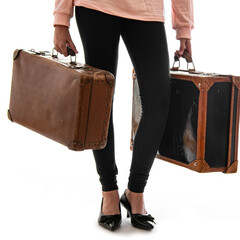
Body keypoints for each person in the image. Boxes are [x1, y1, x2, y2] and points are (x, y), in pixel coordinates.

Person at [53, 0, 194, 231]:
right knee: (100, 100)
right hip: (96, 7)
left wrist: (184, 28)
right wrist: (61, 19)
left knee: (158, 101)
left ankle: (135, 191)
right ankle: (108, 190)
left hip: (146, 10)